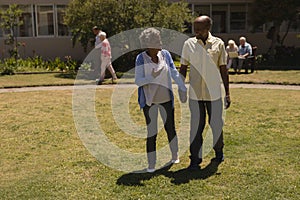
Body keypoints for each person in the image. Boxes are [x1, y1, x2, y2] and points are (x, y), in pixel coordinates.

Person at [179, 16, 231, 170]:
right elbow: (182, 68)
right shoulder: (188, 44)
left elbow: (223, 69)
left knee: (215, 126)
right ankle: (195, 160)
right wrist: (181, 88)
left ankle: (219, 152)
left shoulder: (218, 44)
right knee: (196, 127)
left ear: (208, 28)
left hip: (213, 94)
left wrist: (227, 93)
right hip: (195, 95)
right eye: (195, 28)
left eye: (200, 29)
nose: (196, 32)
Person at [135, 28, 187, 173]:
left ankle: (174, 156)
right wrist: (151, 77)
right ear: (148, 43)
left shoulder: (165, 54)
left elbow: (174, 73)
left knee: (170, 128)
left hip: (166, 99)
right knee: (152, 133)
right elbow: (138, 81)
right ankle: (151, 165)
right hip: (149, 102)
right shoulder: (141, 58)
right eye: (157, 41)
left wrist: (182, 87)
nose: (161, 43)